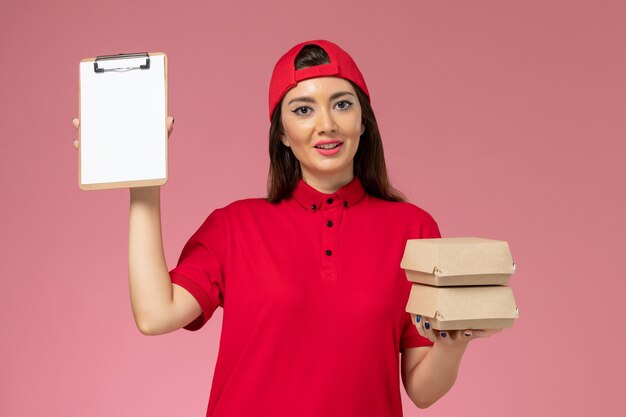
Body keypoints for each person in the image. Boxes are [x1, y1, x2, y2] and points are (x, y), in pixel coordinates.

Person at [72, 40, 501, 417]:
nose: (326, 124)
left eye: (342, 103)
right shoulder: (235, 226)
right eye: (303, 109)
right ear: (282, 133)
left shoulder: (413, 230)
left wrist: (453, 341)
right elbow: (154, 314)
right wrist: (144, 189)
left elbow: (421, 391)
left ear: (364, 121)